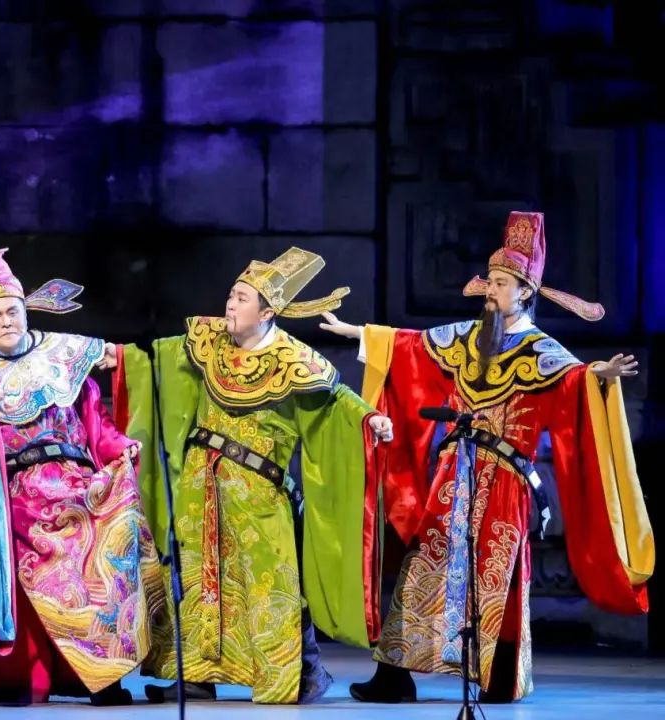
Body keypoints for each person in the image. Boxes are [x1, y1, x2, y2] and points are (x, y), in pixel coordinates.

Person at [319, 211, 654, 703]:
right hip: (453, 472)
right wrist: (359, 333)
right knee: (425, 562)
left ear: (524, 292)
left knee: (496, 569)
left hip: (504, 478)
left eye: (500, 283)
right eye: (490, 281)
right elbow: (412, 345)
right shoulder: (468, 337)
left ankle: (496, 675)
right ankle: (395, 673)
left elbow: (573, 380)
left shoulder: (542, 350)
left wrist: (597, 375)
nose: (490, 291)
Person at [103, 247, 393, 704]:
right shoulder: (210, 342)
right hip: (201, 485)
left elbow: (334, 400)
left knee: (268, 581)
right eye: (231, 295)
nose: (230, 304)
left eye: (241, 298)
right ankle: (196, 676)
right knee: (198, 578)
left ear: (267, 311)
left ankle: (293, 674)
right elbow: (160, 358)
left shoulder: (294, 360)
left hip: (258, 490)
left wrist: (368, 418)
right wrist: (121, 357)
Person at [0, 249, 163, 707]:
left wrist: (119, 446)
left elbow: (95, 421)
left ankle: (103, 677)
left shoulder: (63, 358)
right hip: (17, 495)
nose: (6, 321)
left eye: (13, 311)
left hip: (79, 485)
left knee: (114, 541)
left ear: (26, 311)